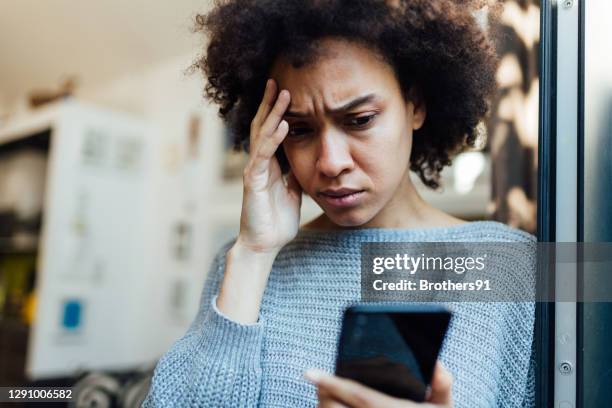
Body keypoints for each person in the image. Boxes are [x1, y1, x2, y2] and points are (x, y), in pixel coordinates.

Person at [143, 1, 535, 407]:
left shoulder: (511, 264)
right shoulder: (244, 264)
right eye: (299, 130)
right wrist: (253, 254)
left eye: (360, 119)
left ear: (415, 105)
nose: (330, 162)